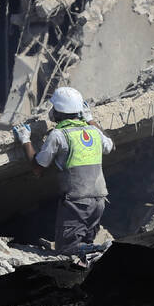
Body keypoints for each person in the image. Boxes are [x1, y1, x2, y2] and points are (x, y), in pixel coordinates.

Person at [12, 86, 113, 253]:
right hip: (99, 200)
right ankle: (95, 254)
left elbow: (38, 168)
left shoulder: (59, 135)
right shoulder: (93, 131)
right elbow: (109, 145)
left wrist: (25, 140)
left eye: (54, 108)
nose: (51, 111)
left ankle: (101, 250)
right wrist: (90, 120)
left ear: (59, 112)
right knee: (84, 243)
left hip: (77, 202)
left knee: (67, 247)